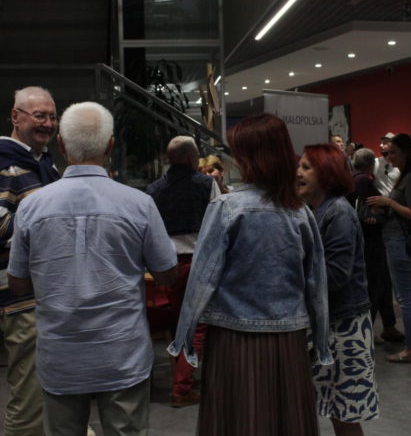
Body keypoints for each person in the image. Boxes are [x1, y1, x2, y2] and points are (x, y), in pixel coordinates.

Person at [7, 102, 178, 436]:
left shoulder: (31, 207)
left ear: (61, 145)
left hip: (61, 355)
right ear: (110, 146)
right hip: (122, 353)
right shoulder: (139, 204)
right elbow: (167, 274)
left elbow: (17, 283)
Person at [169, 113, 331, 436]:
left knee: (238, 420)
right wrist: (321, 341)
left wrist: (183, 338)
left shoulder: (227, 208)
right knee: (286, 422)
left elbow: (202, 279)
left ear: (250, 157)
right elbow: (316, 284)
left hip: (234, 339)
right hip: (288, 341)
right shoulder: (300, 213)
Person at [0, 86, 60, 436]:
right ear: (16, 117)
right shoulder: (5, 165)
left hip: (41, 296)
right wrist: (46, 229)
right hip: (19, 299)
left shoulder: (42, 163)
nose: (47, 123)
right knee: (30, 399)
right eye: (39, 115)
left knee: (54, 393)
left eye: (52, 117)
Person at [298, 144, 378, 435]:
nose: (298, 173)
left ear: (327, 173)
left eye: (306, 167)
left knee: (343, 412)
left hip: (344, 327)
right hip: (326, 322)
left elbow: (336, 275)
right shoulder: (314, 211)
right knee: (333, 409)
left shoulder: (338, 213)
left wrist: (289, 278)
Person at [146, 136, 219, 407]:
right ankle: (182, 387)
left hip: (166, 266)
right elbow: (218, 224)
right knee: (197, 326)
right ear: (191, 158)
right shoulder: (206, 184)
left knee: (179, 323)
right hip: (197, 263)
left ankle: (183, 376)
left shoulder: (153, 190)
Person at [367, 133, 411, 363]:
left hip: (399, 241)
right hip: (395, 239)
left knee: (404, 298)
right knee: (408, 296)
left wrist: (388, 202)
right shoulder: (406, 176)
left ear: (406, 153)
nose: (389, 156)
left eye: (394, 152)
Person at [347, 148, 402, 345]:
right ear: (371, 164)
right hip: (371, 242)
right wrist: (378, 216)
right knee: (375, 285)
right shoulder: (363, 181)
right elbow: (363, 209)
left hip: (368, 241)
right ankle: (368, 331)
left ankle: (388, 326)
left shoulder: (352, 179)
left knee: (383, 284)